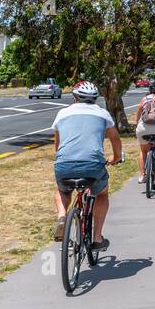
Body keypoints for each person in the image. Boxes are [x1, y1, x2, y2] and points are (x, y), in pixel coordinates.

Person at [52, 81, 123, 250]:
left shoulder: (62, 113)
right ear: (95, 99)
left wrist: (61, 159)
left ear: (75, 98)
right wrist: (117, 157)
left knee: (62, 190)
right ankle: (97, 239)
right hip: (92, 164)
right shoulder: (102, 113)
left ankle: (62, 217)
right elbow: (115, 139)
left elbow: (58, 143)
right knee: (102, 194)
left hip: (64, 163)